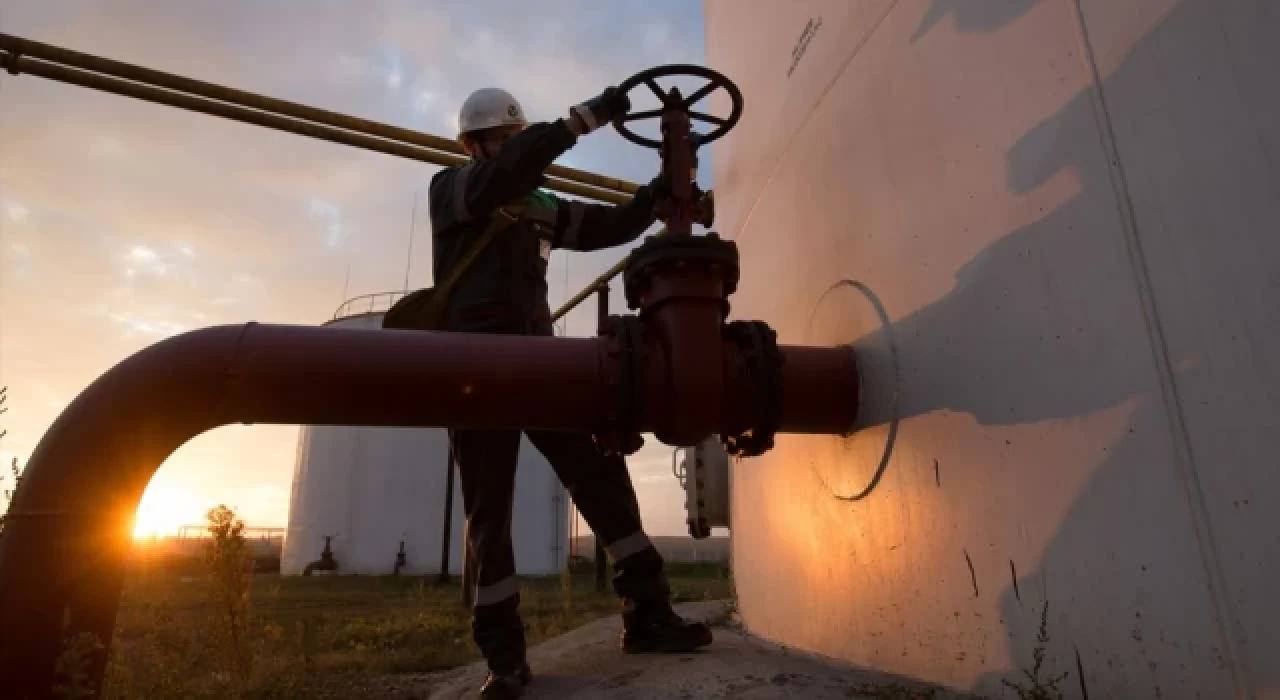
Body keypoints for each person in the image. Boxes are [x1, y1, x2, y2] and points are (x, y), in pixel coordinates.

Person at [426, 86, 714, 699]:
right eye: (501, 139)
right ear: (473, 145)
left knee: (601, 476)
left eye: (515, 136)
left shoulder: (540, 207)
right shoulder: (452, 189)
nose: (511, 146)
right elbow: (507, 173)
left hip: (539, 360)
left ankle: (648, 613)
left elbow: (607, 225)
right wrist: (582, 121)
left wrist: (657, 193)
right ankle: (505, 660)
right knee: (489, 514)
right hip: (476, 367)